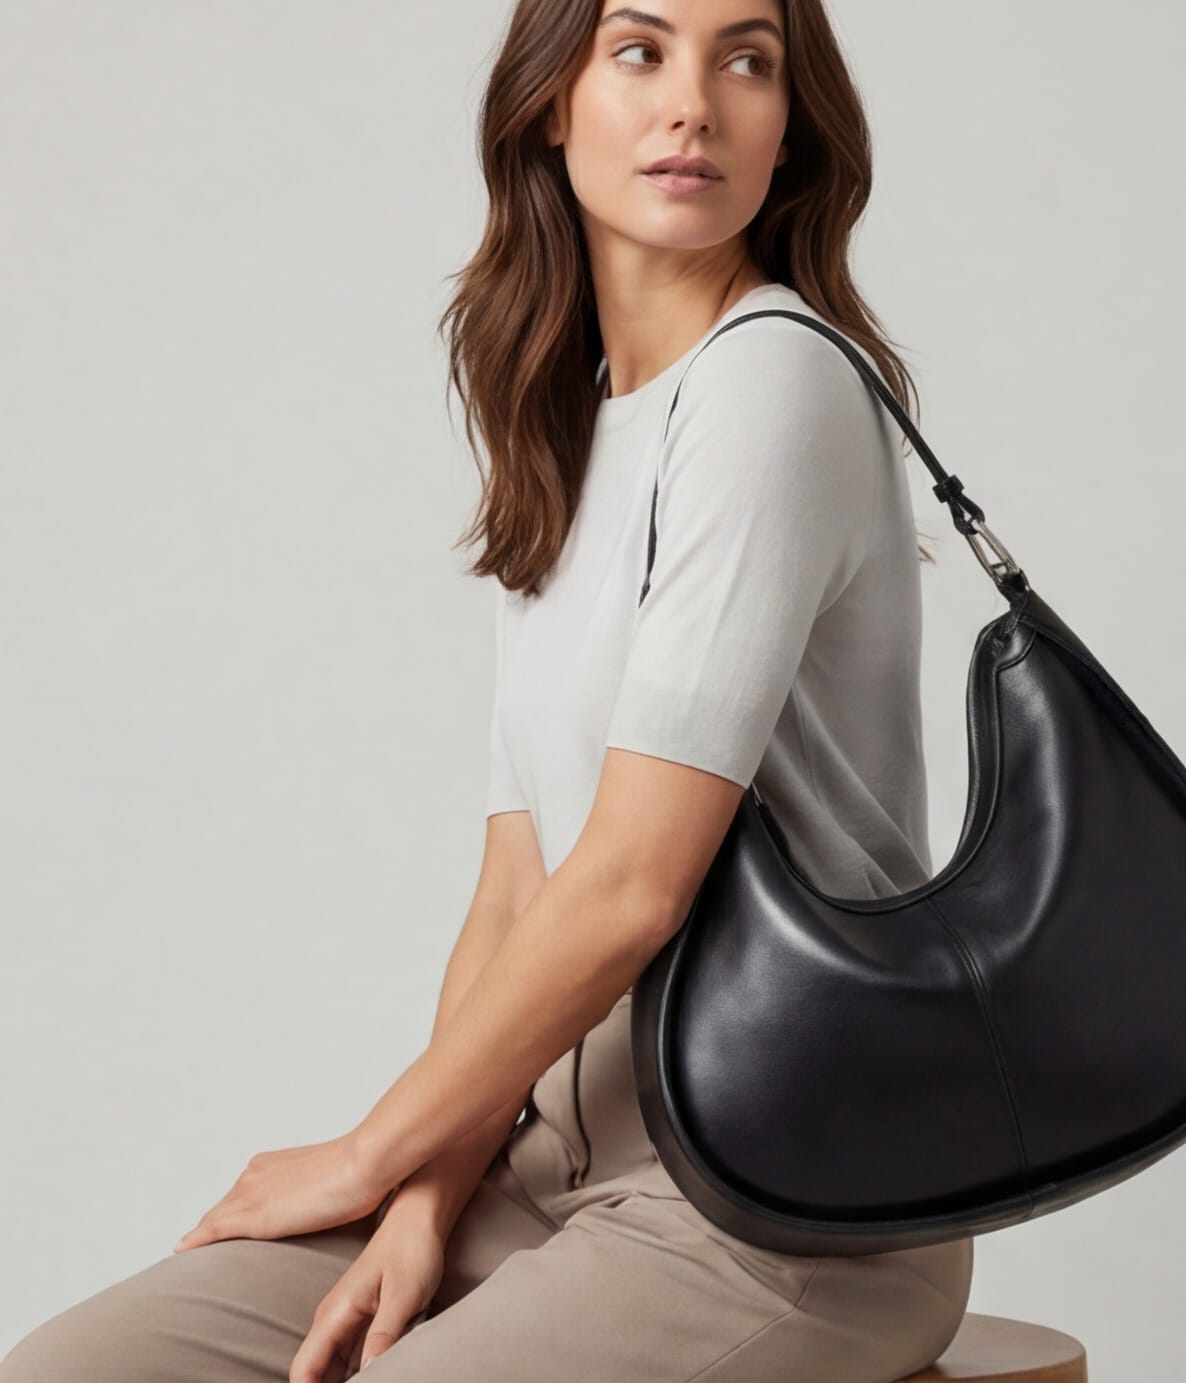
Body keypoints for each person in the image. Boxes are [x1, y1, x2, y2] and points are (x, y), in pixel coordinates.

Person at [0, 1, 973, 1379]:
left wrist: (365, 1148)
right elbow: (516, 885)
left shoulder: (771, 382)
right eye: (639, 50)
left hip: (785, 1201)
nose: (693, 102)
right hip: (551, 1175)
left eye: (745, 60)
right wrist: (426, 1193)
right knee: (79, 1370)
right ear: (550, 104)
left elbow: (633, 883)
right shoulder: (571, 424)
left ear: (789, 127)